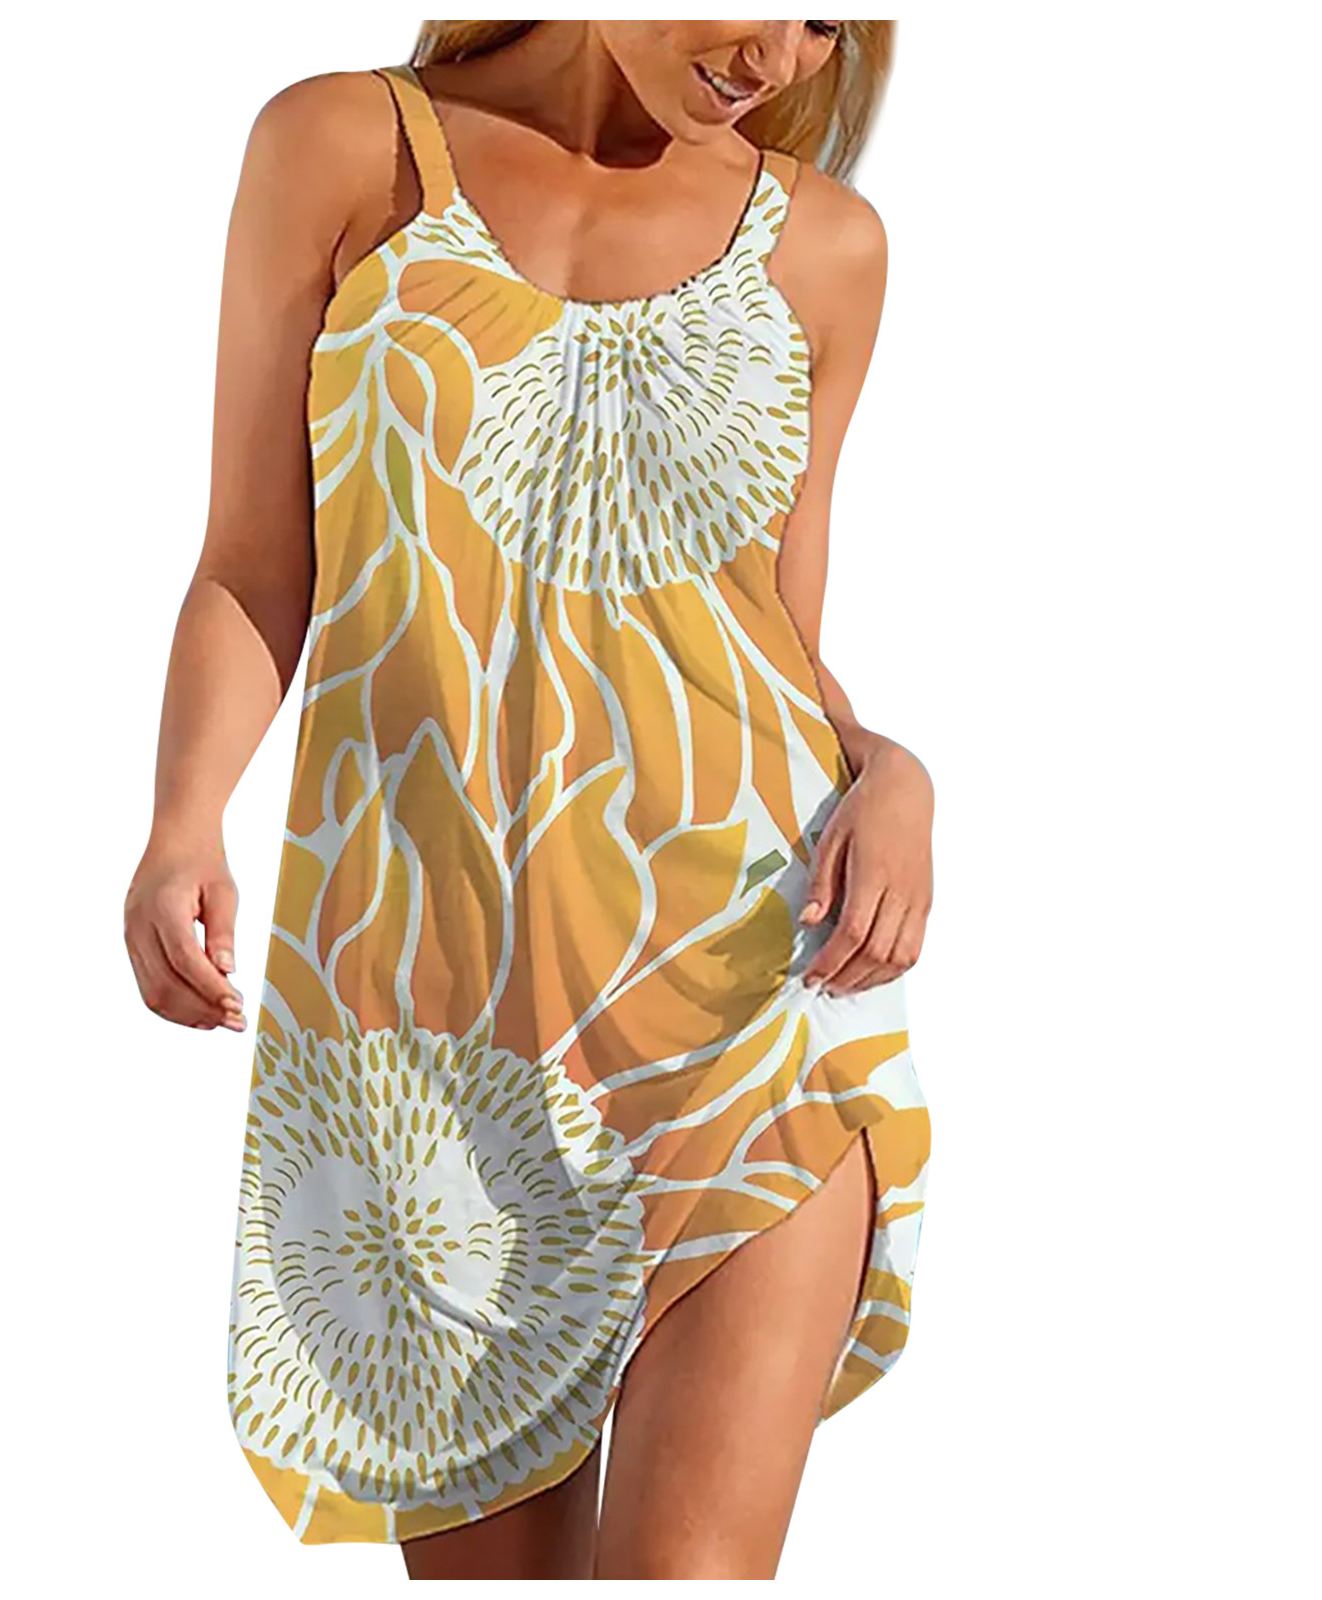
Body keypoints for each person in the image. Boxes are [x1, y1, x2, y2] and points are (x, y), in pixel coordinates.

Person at [124, 19, 934, 1581]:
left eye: (829, 17)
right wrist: (183, 820)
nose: (780, 53)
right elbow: (252, 560)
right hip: (429, 1037)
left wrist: (893, 772)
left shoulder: (824, 248)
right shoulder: (343, 150)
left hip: (739, 995)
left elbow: (772, 629)